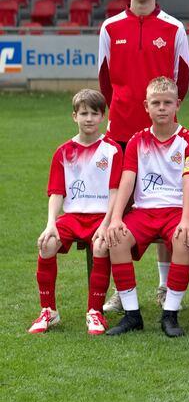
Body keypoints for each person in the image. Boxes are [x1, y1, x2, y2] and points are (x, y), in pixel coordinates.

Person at [98, 0, 189, 311]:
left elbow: (181, 78)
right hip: (121, 134)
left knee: (166, 204)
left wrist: (164, 117)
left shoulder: (173, 28)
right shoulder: (109, 28)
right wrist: (122, 110)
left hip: (163, 136)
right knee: (118, 211)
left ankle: (166, 286)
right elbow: (105, 81)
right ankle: (119, 293)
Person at [103, 77, 189, 337]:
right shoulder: (136, 141)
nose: (162, 108)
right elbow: (127, 180)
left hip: (177, 211)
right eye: (155, 103)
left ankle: (170, 314)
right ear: (146, 106)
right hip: (144, 212)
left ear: (177, 105)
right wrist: (115, 218)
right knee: (117, 238)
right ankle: (132, 315)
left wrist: (187, 219)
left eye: (167, 102)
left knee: (183, 240)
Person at [29, 90, 122, 335]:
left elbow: (115, 191)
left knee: (102, 245)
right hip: (72, 217)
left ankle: (95, 312)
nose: (89, 118)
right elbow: (56, 192)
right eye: (83, 113)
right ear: (74, 116)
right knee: (47, 244)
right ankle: (49, 311)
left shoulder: (112, 150)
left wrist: (106, 222)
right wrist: (51, 223)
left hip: (101, 217)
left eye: (94, 113)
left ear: (103, 117)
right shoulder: (63, 151)